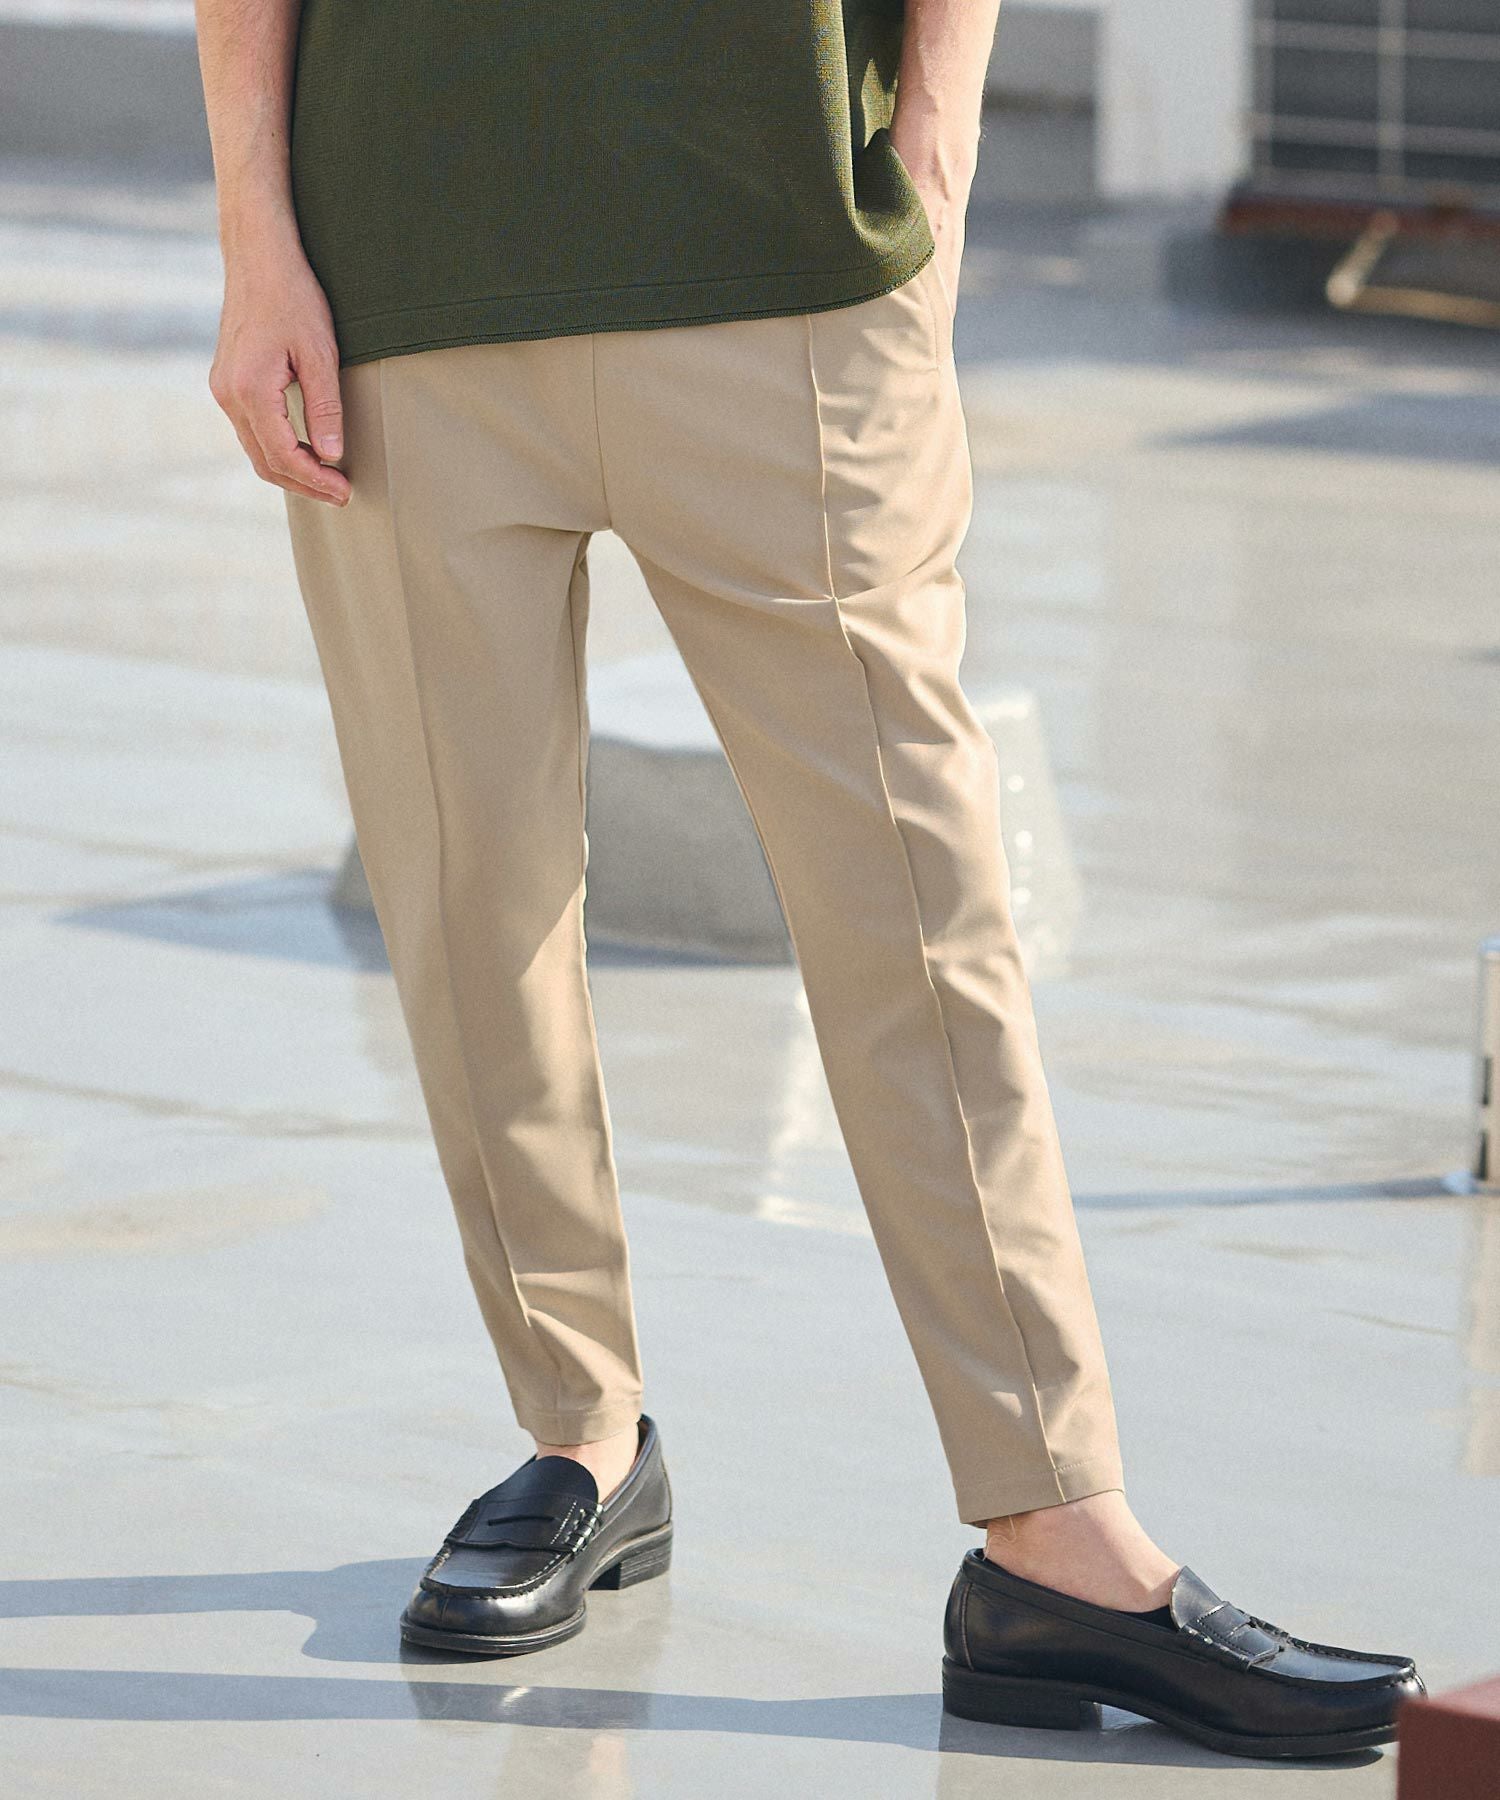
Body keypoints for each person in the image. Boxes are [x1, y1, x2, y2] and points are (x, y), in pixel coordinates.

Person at [194, 0, 1422, 1759]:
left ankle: (1055, 1526)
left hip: (780, 247)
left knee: (914, 911)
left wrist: (937, 147)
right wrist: (256, 238)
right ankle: (579, 1437)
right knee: (471, 903)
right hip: (399, 264)